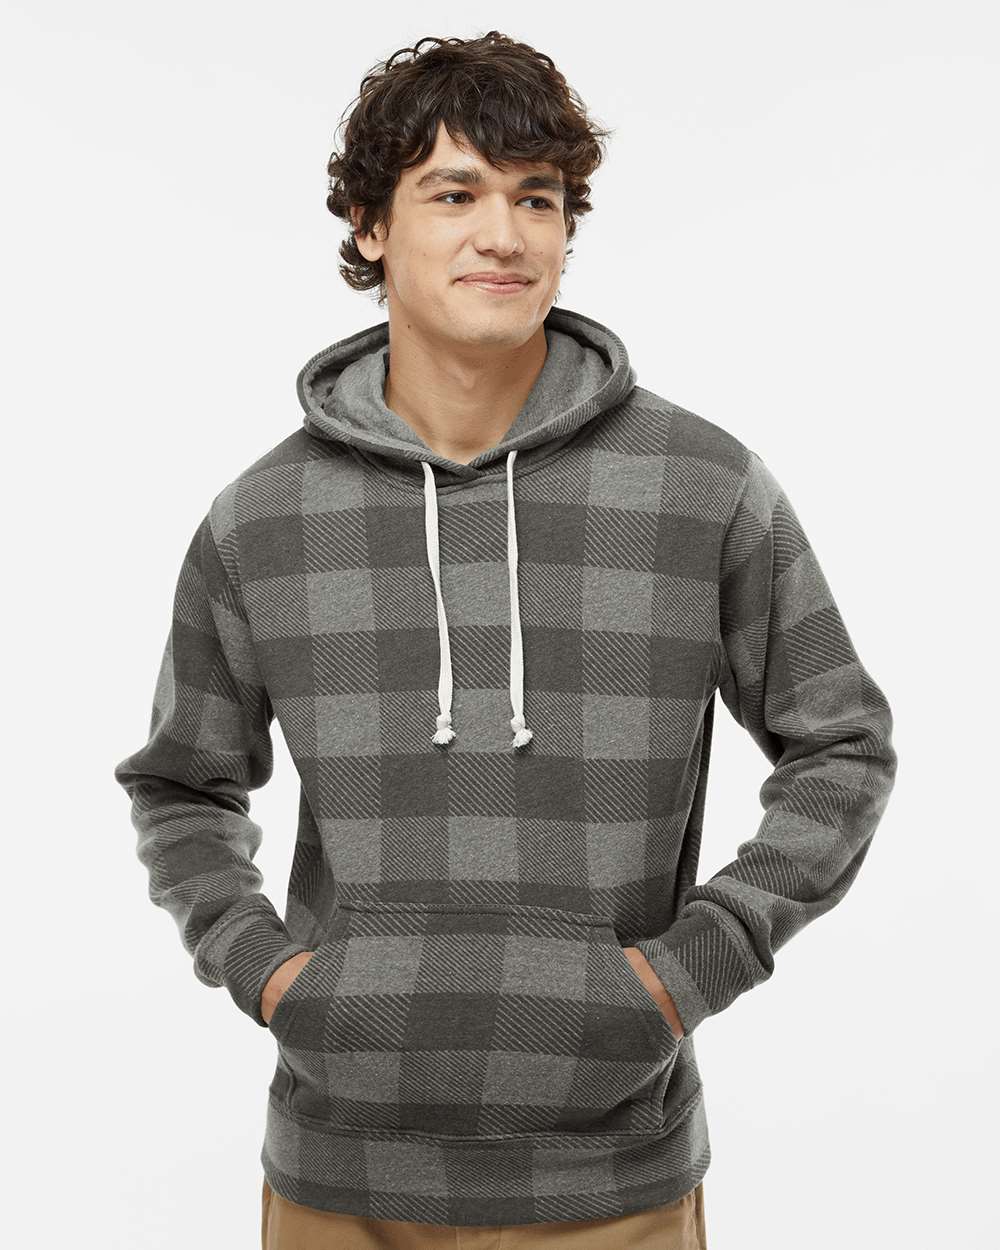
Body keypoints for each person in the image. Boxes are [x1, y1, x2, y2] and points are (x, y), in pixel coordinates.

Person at [112, 30, 897, 1250]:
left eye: (537, 197)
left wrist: (691, 965)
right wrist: (267, 968)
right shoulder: (261, 517)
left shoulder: (701, 485)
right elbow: (181, 781)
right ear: (370, 226)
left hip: (612, 1181)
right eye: (454, 194)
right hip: (340, 1174)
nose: (506, 234)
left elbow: (839, 743)